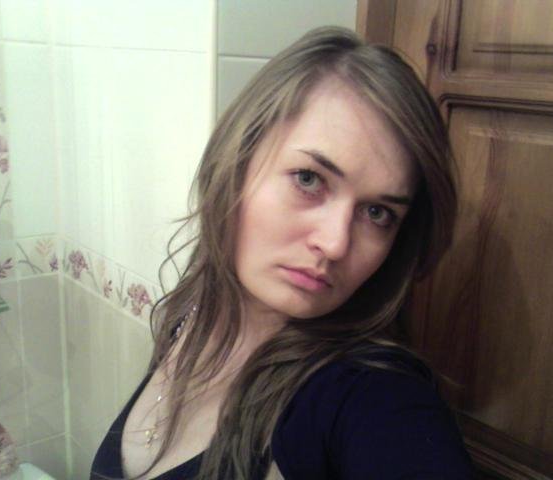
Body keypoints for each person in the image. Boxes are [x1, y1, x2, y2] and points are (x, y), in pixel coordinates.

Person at [91, 26, 473, 480]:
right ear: (236, 160)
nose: (335, 244)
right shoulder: (190, 318)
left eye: (377, 212)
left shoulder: (370, 397)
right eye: (309, 179)